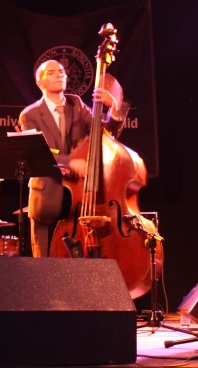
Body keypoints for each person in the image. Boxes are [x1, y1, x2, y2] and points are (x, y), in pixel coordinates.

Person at [18, 59, 124, 258]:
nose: (60, 74)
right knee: (44, 266)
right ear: (40, 82)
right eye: (52, 72)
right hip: (47, 197)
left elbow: (105, 133)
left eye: (62, 71)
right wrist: (70, 162)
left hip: (78, 194)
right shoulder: (29, 115)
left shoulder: (76, 103)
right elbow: (40, 152)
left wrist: (114, 108)